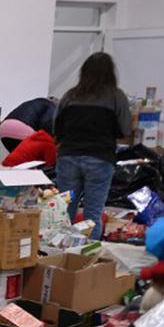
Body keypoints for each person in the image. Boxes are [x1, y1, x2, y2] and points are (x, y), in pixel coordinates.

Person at [53, 52, 130, 240]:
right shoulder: (116, 97)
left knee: (63, 212)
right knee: (93, 214)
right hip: (100, 158)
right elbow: (125, 129)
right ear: (110, 73)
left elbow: (56, 126)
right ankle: (88, 261)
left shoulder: (70, 95)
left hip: (69, 156)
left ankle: (59, 257)